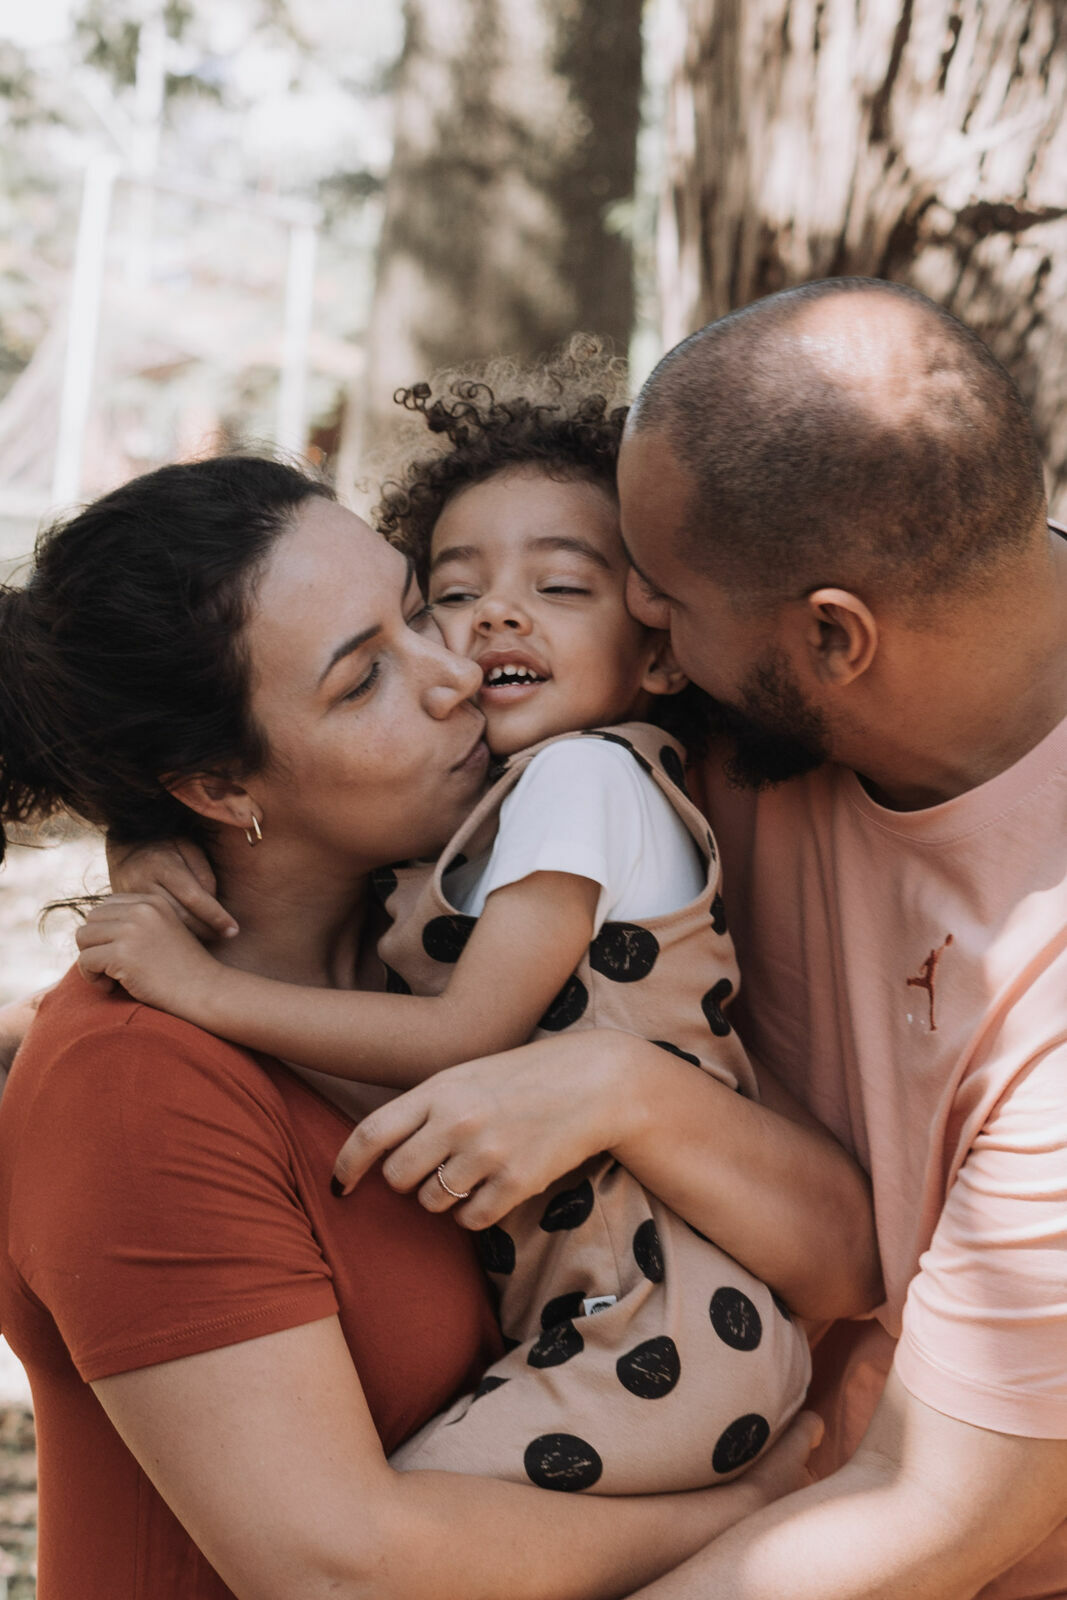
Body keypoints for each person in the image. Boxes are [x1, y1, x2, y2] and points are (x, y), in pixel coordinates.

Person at [0, 451, 857, 1599]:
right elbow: (335, 1571)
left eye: (418, 608)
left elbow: (843, 1258)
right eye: (363, 680)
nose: (456, 672)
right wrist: (745, 1512)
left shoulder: (457, 935)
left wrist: (620, 1086)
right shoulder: (134, 1084)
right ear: (214, 786)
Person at [335, 279, 1067, 1599]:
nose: (632, 632)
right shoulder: (719, 710)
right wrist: (166, 832)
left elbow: (943, 1515)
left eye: (654, 597)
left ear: (831, 638)